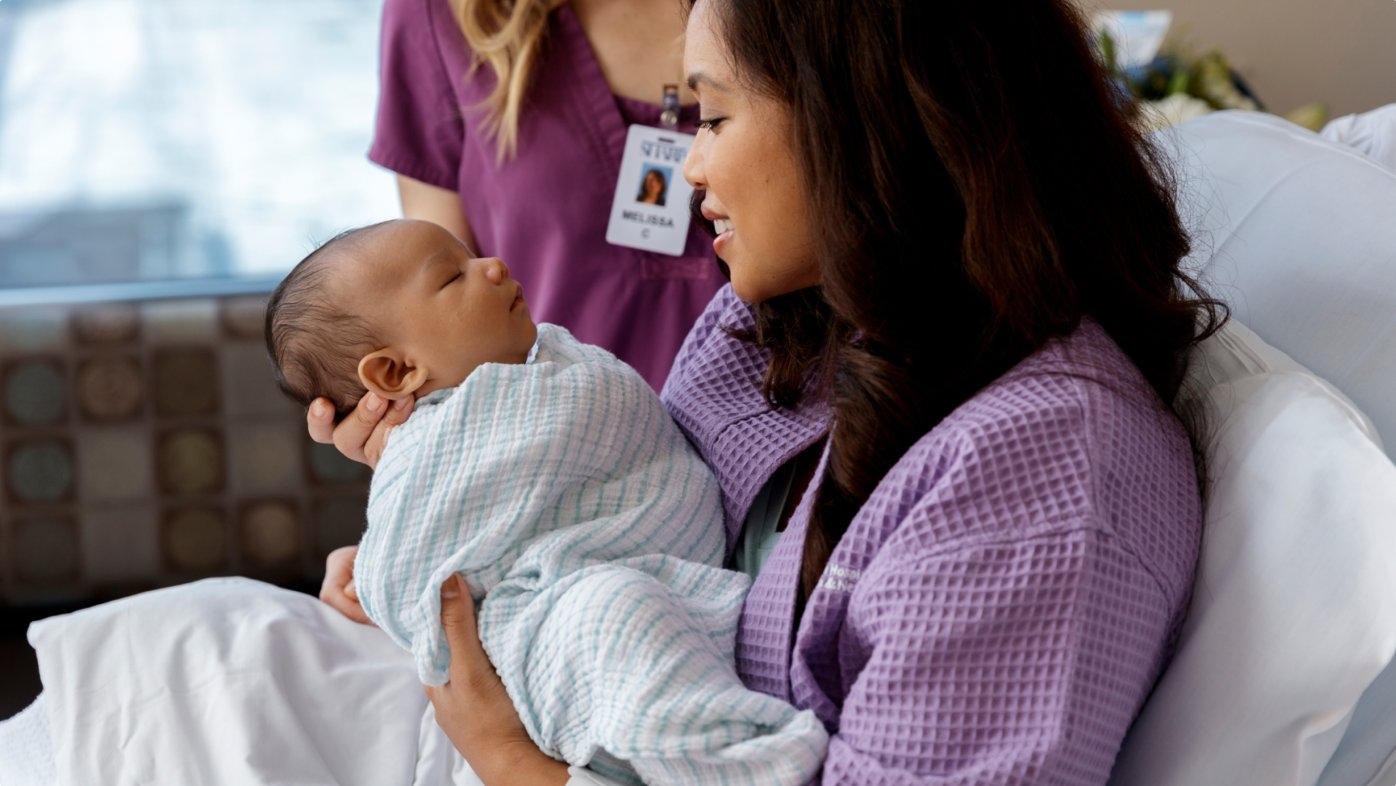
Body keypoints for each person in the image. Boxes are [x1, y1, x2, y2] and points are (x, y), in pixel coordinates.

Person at [316, 0, 1227, 783]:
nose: (690, 169)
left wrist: (511, 763)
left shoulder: (1041, 473)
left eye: (711, 119)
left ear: (862, 114)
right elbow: (614, 521)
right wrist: (435, 497)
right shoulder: (769, 331)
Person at [264, 218, 827, 785]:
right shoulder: (421, 448)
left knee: (629, 610)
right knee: (613, 612)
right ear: (397, 370)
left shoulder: (558, 365)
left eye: (472, 256)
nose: (492, 266)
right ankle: (743, 768)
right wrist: (378, 558)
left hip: (674, 586)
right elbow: (406, 574)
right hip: (552, 625)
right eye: (452, 277)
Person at [371, 0, 723, 391]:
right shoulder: (437, 12)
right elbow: (432, 323)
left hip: (781, 437)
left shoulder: (793, 17)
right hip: (549, 440)